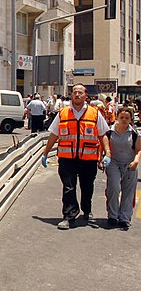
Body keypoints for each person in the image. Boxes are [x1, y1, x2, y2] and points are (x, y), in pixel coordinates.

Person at [41, 84, 110, 230]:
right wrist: (45, 153)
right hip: (67, 159)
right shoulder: (62, 113)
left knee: (87, 187)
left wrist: (107, 154)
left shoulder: (95, 113)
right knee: (69, 187)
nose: (77, 95)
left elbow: (102, 134)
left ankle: (87, 210)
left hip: (88, 159)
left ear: (86, 95)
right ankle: (69, 216)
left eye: (80, 92)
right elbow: (54, 134)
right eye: (74, 92)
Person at [103, 108, 140, 229]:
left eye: (127, 118)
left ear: (130, 120)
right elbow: (104, 145)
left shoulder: (134, 134)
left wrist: (135, 161)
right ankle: (112, 215)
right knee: (114, 187)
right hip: (114, 163)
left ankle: (124, 217)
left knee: (128, 192)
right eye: (122, 117)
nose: (124, 120)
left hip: (129, 164)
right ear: (117, 117)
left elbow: (138, 150)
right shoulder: (109, 131)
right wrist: (103, 157)